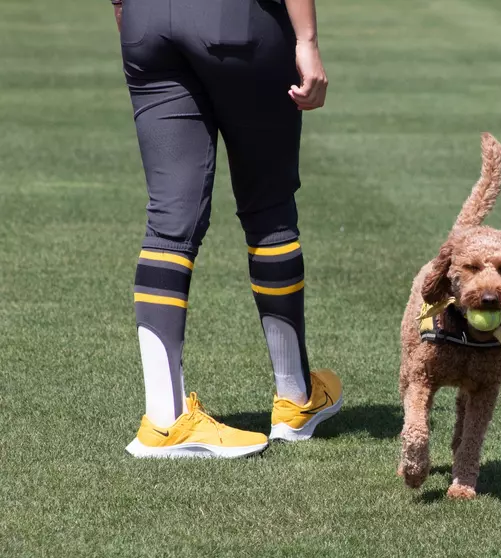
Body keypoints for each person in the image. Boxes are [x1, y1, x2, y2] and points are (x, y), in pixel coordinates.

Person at [115, 0, 342, 458]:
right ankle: (295, 400)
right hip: (235, 24)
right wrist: (308, 41)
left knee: (168, 221)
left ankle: (164, 419)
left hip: (147, 26)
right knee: (269, 211)